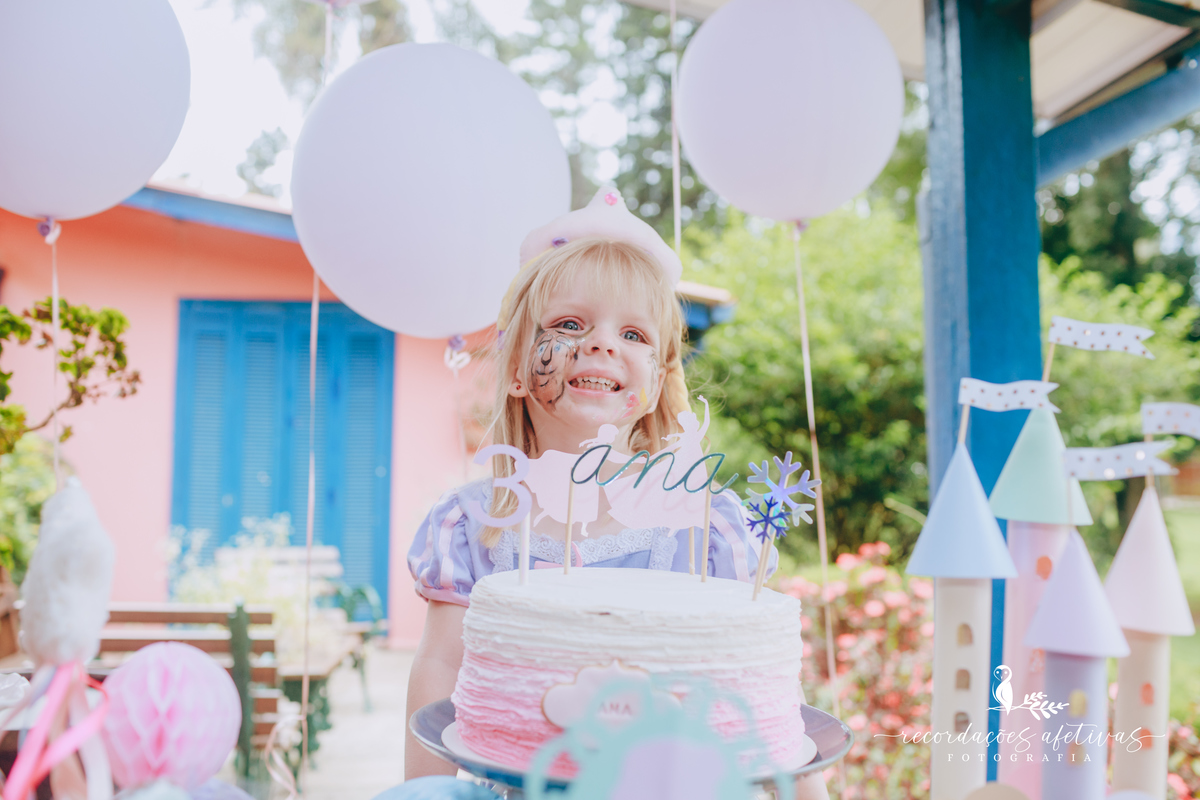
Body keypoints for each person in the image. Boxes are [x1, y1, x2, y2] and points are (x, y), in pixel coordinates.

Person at [403, 190, 828, 800]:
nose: (603, 343)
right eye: (571, 324)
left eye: (633, 332)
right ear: (519, 367)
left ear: (657, 382)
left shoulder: (706, 524)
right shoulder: (474, 524)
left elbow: (756, 680)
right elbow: (441, 665)